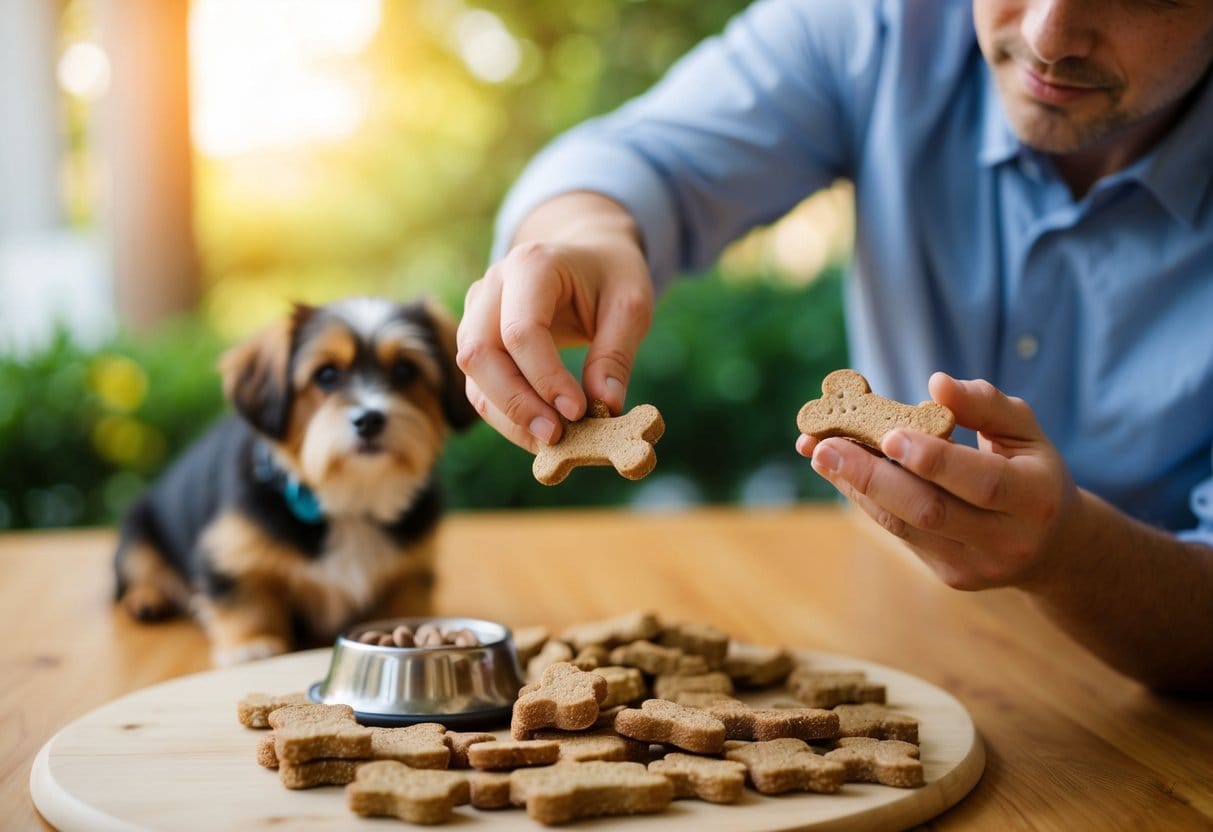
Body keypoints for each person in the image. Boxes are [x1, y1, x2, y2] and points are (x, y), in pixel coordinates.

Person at [455, 0, 1213, 692]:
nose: (1048, 36)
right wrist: (583, 235)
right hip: (899, 635)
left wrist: (1069, 557)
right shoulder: (879, 23)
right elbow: (646, 154)